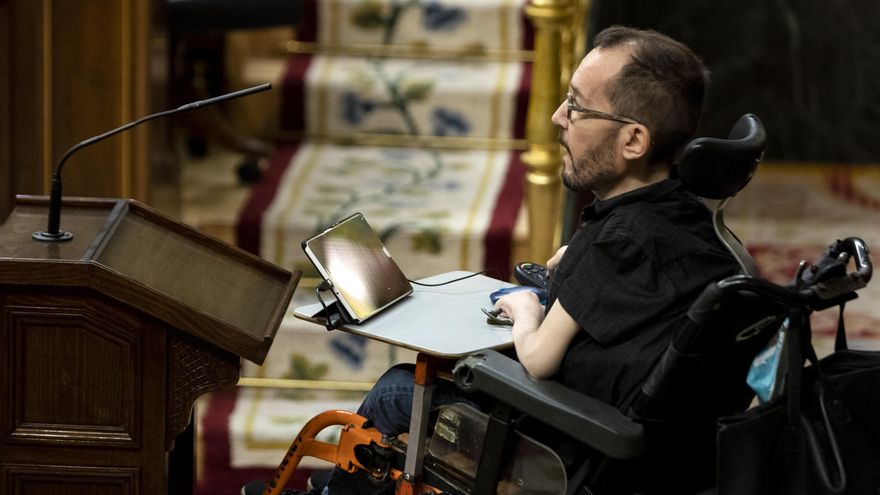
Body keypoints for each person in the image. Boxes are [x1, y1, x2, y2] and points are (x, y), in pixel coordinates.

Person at [248, 25, 740, 495]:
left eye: (577, 105)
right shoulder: (685, 218)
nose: (557, 118)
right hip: (652, 459)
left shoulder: (614, 242)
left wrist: (527, 307)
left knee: (397, 392)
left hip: (566, 448)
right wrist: (577, 267)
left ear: (633, 140)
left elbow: (540, 359)